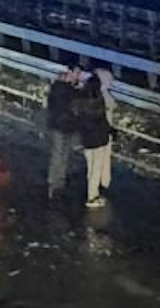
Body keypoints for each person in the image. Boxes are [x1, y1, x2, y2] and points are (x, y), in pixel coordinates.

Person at [75, 71, 113, 208]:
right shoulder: (98, 100)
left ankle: (91, 192)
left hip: (86, 138)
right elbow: (102, 121)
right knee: (96, 168)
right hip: (99, 138)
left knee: (90, 166)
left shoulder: (80, 100)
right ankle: (92, 197)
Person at [44, 66, 82, 198]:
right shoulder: (63, 88)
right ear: (70, 73)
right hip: (61, 125)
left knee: (62, 153)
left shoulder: (59, 86)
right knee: (60, 153)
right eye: (77, 73)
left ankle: (57, 181)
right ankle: (55, 182)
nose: (78, 76)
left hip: (62, 125)